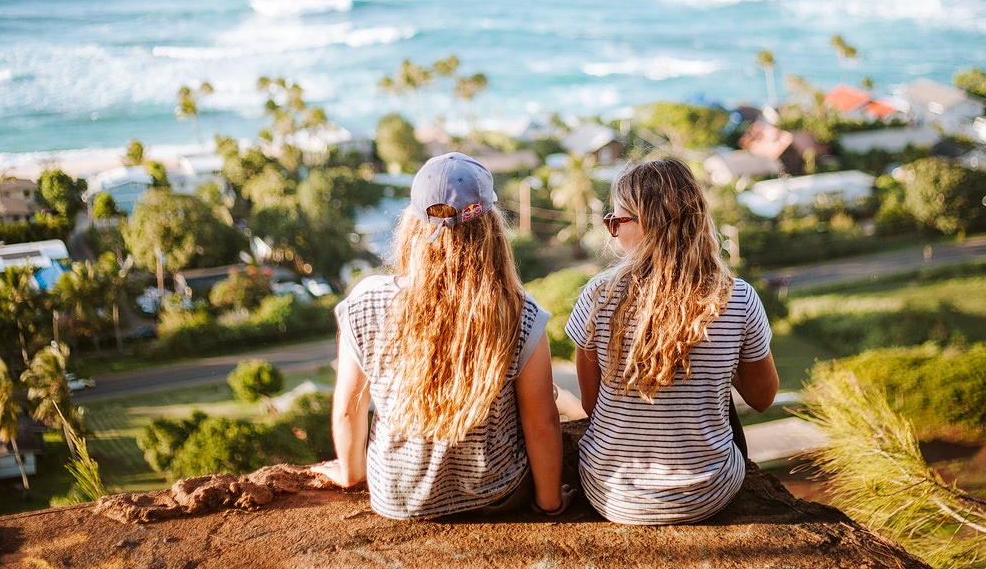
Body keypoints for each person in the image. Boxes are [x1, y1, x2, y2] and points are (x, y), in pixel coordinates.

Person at [314, 152, 573, 519]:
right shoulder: (519, 312)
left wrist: (350, 473)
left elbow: (348, 408)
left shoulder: (366, 301)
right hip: (495, 495)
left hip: (398, 500)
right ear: (491, 228)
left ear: (412, 225)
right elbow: (542, 424)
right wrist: (550, 503)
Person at [565, 157, 778, 525]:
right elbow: (763, 398)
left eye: (616, 222)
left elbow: (590, 405)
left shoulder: (597, 296)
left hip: (611, 493)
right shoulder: (738, 297)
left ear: (647, 225)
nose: (613, 233)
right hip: (708, 493)